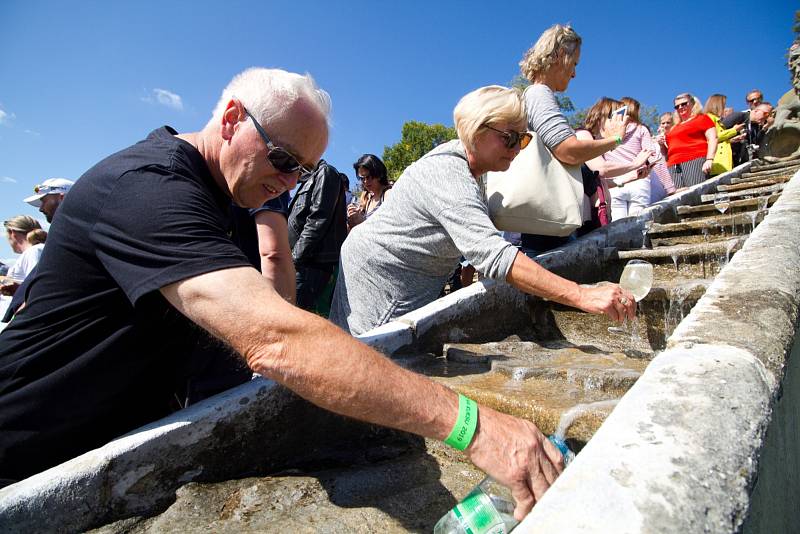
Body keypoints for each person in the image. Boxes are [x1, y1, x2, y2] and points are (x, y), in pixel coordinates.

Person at [0, 69, 574, 519]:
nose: (290, 182)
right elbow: (273, 337)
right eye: (282, 160)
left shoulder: (234, 198)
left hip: (129, 436)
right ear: (230, 118)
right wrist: (474, 426)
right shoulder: (147, 188)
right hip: (33, 445)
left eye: (304, 171)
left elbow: (268, 313)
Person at [330, 85, 635, 338]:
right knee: (371, 359)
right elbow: (492, 254)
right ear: (477, 130)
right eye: (510, 137)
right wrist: (582, 294)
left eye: (524, 138)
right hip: (383, 282)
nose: (518, 148)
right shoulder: (448, 171)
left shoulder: (472, 173)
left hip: (391, 271)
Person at [516, 24, 629, 254]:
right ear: (559, 56)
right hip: (543, 229)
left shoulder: (535, 95)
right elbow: (568, 150)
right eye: (574, 63)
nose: (575, 73)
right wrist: (615, 139)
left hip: (542, 226)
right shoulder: (539, 93)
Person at [287, 159, 349, 313]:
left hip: (310, 263)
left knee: (296, 316)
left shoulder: (325, 172)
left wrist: (294, 258)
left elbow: (318, 220)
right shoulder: (309, 177)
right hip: (302, 262)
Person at [664, 92, 718, 189]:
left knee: (696, 194)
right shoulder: (674, 127)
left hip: (695, 160)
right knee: (676, 199)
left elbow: (713, 138)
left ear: (693, 103)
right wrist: (661, 145)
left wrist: (710, 159)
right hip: (673, 165)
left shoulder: (702, 118)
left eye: (684, 104)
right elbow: (668, 150)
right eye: (677, 106)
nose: (680, 107)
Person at [1, 216, 44, 296]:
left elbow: (38, 288)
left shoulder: (34, 251)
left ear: (12, 233)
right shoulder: (37, 250)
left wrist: (15, 289)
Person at [703, 94, 745, 176]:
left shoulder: (715, 119)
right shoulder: (709, 117)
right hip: (717, 162)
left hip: (722, 162)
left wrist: (731, 140)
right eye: (724, 105)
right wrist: (734, 130)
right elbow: (713, 137)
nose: (724, 108)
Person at [346, 154, 391, 229]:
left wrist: (363, 222)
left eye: (369, 177)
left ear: (379, 174)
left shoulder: (388, 195)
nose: (366, 181)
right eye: (362, 178)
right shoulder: (368, 201)